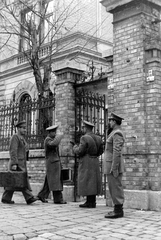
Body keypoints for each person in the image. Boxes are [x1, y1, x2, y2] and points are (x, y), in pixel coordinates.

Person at [1, 120, 38, 204]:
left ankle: (6, 198)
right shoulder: (15, 137)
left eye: (26, 128)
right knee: (21, 180)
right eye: (24, 128)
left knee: (14, 181)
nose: (25, 130)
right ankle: (29, 197)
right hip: (16, 163)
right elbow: (13, 151)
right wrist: (14, 164)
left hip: (21, 163)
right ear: (18, 128)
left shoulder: (22, 138)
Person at [73, 120, 104, 208]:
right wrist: (95, 155)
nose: (82, 129)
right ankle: (92, 201)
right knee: (93, 181)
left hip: (86, 161)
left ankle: (89, 202)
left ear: (86, 128)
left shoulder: (84, 138)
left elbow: (80, 151)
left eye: (83, 127)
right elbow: (101, 150)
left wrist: (74, 147)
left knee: (86, 180)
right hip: (95, 160)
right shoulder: (98, 138)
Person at [37, 124, 67, 204]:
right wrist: (60, 136)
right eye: (54, 132)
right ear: (50, 132)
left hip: (54, 163)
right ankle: (58, 199)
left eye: (55, 132)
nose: (55, 133)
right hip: (52, 163)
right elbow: (54, 144)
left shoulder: (51, 139)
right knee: (55, 181)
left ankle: (41, 195)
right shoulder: (48, 139)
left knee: (49, 181)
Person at [103, 112, 125, 218]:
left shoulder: (117, 133)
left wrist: (114, 168)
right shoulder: (113, 132)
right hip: (111, 165)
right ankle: (117, 209)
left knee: (116, 187)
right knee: (113, 187)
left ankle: (118, 210)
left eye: (110, 121)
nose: (109, 123)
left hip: (113, 166)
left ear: (114, 122)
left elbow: (116, 152)